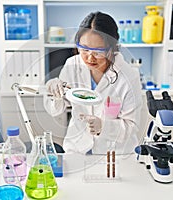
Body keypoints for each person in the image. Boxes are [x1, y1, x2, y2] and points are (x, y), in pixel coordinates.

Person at [44, 11, 143, 154]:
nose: (90, 58)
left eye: (98, 51)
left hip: (114, 153)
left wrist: (104, 126)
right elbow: (56, 110)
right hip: (77, 148)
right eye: (84, 49)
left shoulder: (129, 76)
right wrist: (53, 92)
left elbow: (131, 126)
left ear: (112, 48)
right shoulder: (72, 65)